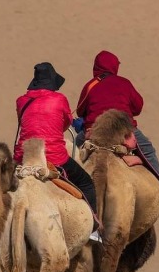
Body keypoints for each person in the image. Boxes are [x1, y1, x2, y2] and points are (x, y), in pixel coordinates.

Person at [15, 63, 101, 243]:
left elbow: (24, 124)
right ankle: (93, 228)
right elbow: (66, 122)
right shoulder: (59, 99)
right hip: (54, 157)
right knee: (86, 184)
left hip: (25, 156)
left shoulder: (21, 101)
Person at [76, 50, 159, 179]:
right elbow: (138, 106)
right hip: (123, 129)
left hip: (95, 129)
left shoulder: (91, 85)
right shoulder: (124, 82)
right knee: (149, 151)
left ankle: (68, 181)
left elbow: (80, 111)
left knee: (75, 149)